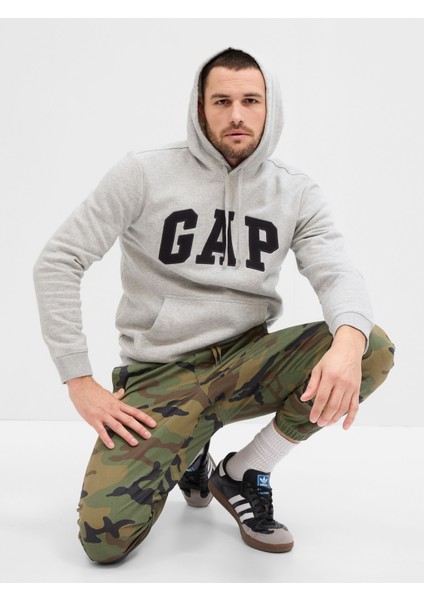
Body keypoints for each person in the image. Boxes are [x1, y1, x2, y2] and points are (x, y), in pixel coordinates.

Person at [33, 48, 395, 564]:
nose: (237, 115)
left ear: (270, 107)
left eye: (251, 100)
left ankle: (245, 471)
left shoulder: (295, 191)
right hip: (161, 375)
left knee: (369, 346)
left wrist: (348, 342)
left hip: (246, 363)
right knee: (103, 543)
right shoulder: (143, 172)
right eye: (221, 101)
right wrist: (78, 380)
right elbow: (59, 260)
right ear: (199, 107)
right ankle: (192, 451)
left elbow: (337, 273)